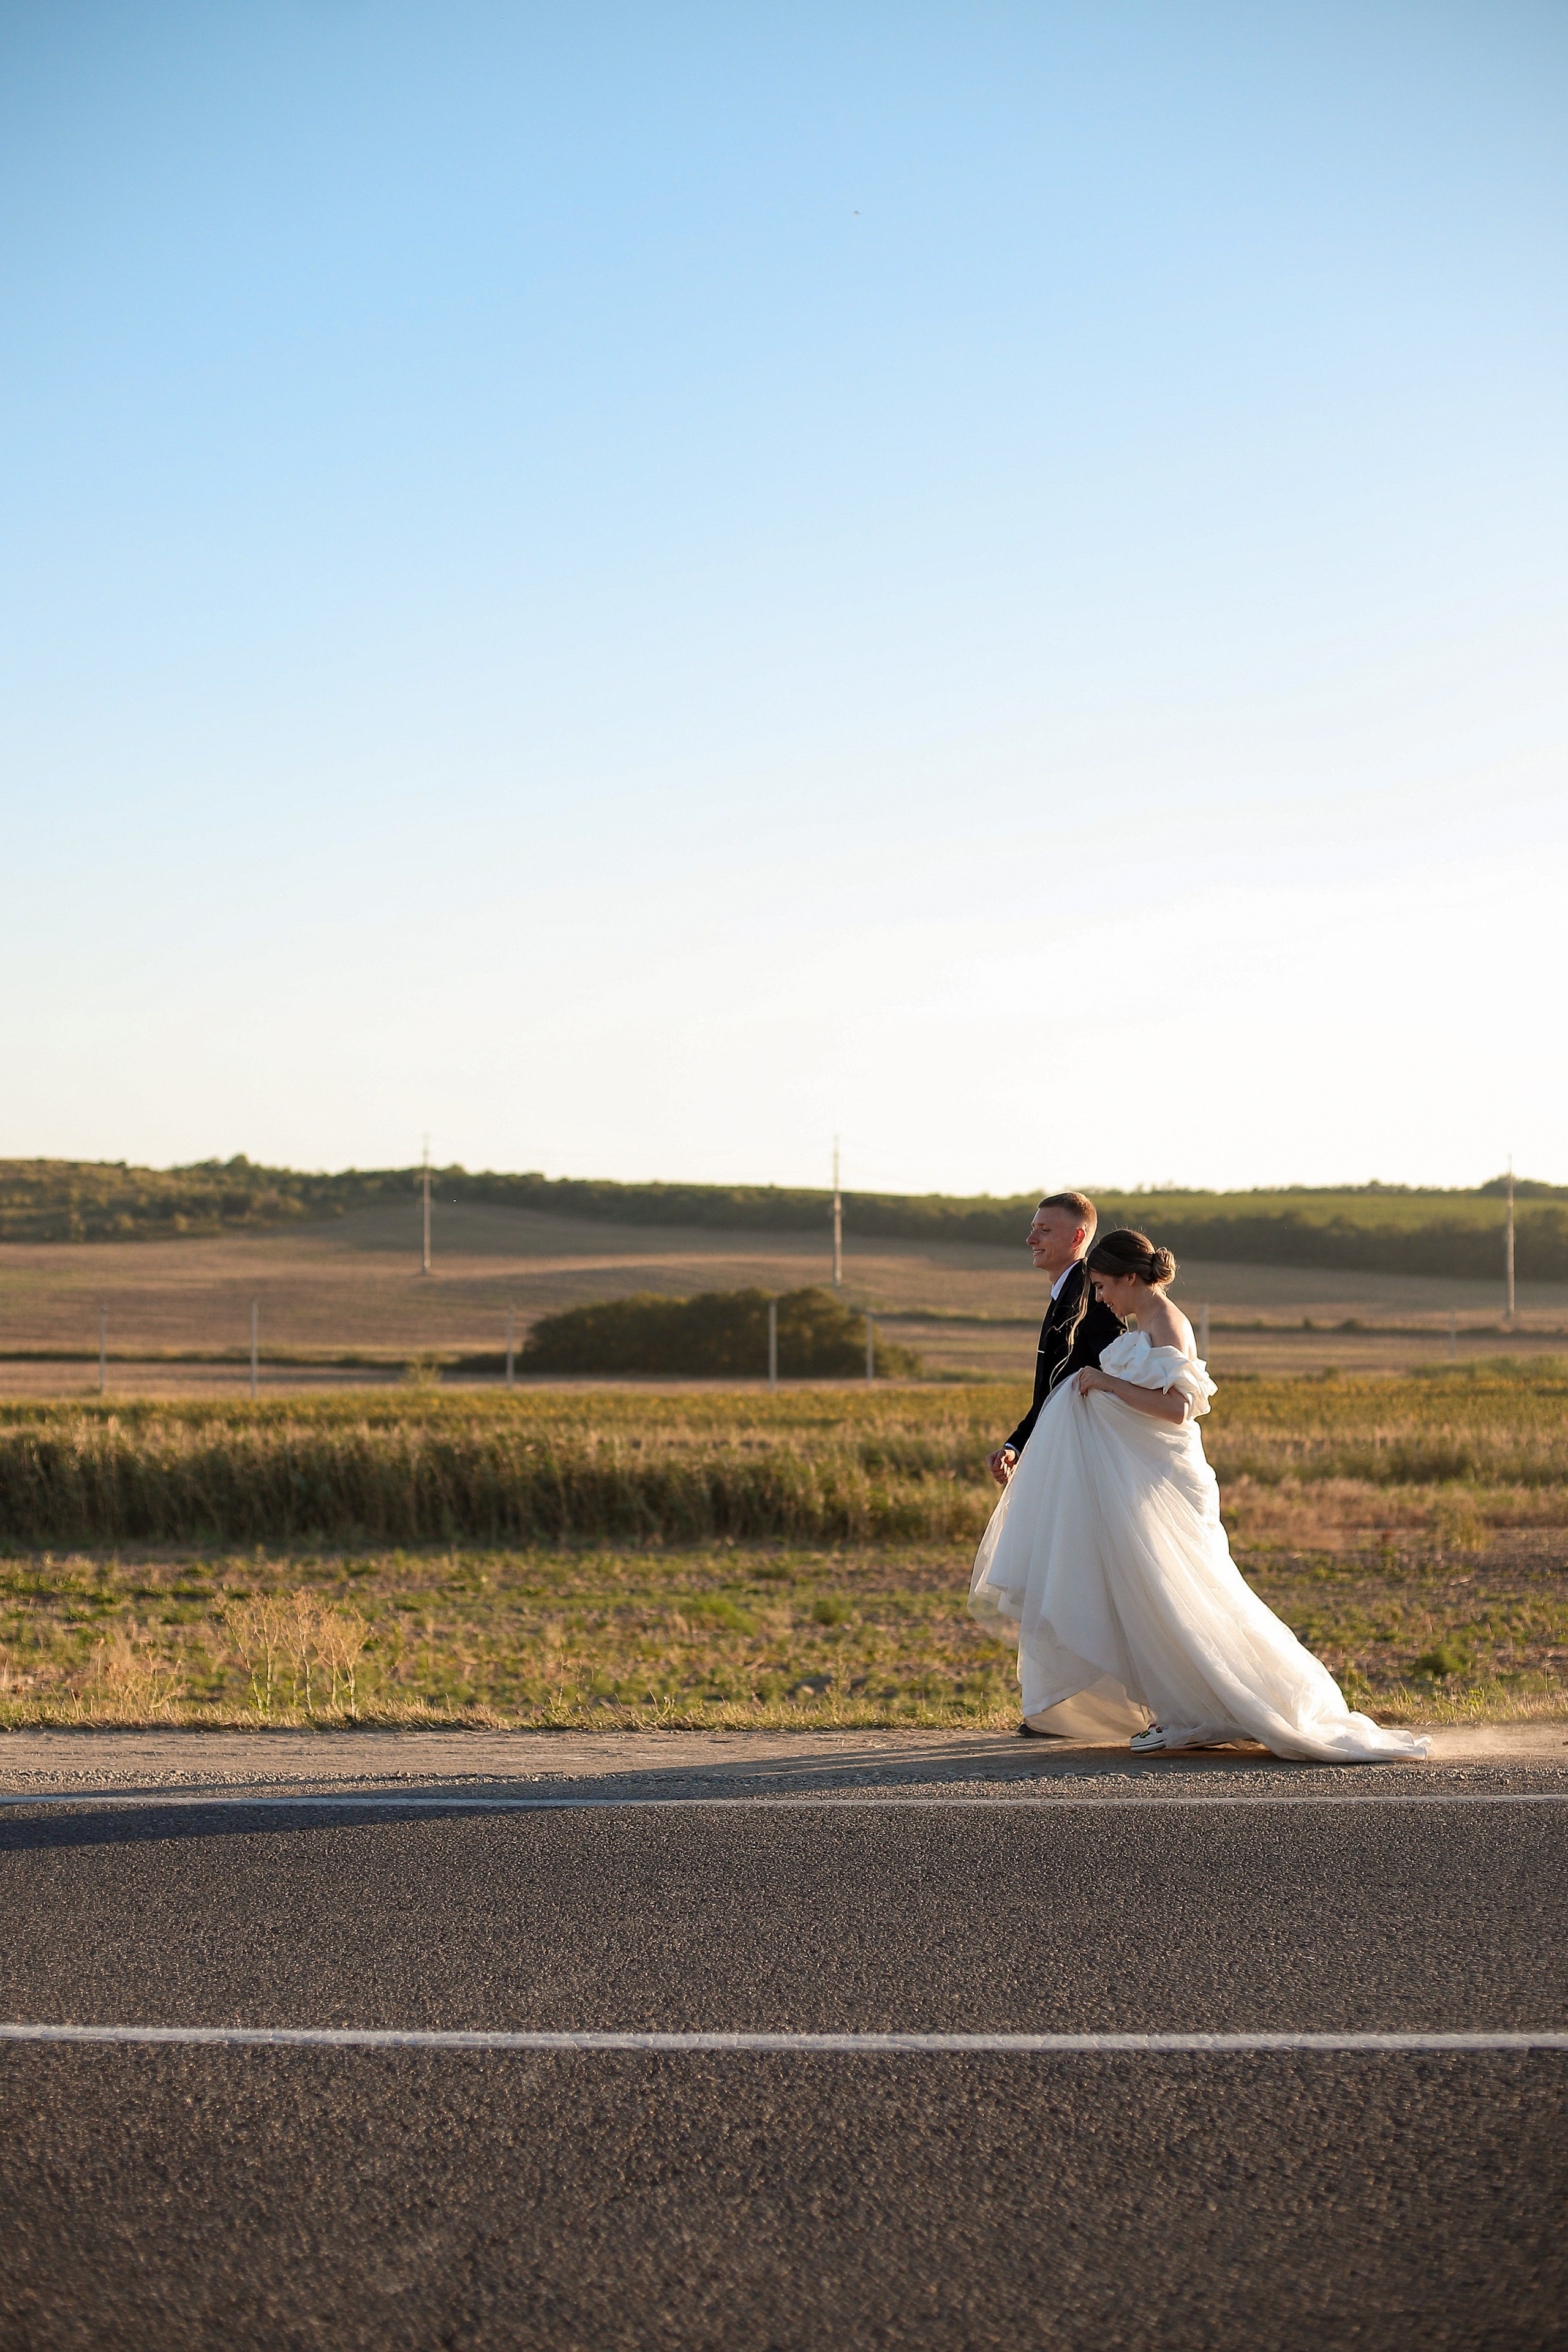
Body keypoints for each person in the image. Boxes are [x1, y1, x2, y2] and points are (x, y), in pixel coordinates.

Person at [970, 1226, 1430, 1763]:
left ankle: (1193, 1711)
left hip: (1164, 1478)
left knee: (1177, 1587)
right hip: (1141, 1478)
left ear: (1129, 1277)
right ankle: (1185, 1706)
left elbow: (1179, 1408)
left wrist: (1105, 1382)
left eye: (1102, 1286)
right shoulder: (1148, 1320)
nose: (1100, 1298)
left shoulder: (1167, 1321)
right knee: (1153, 1591)